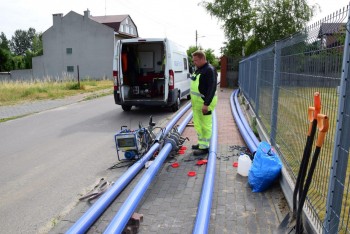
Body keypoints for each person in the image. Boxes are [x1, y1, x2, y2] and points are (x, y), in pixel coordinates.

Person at [190, 50, 218, 156]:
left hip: (204, 104)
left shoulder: (209, 70)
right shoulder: (199, 69)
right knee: (198, 124)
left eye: (196, 60)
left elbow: (212, 88)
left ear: (202, 59)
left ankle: (205, 147)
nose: (194, 63)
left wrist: (206, 104)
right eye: (194, 61)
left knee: (205, 125)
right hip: (197, 104)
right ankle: (201, 143)